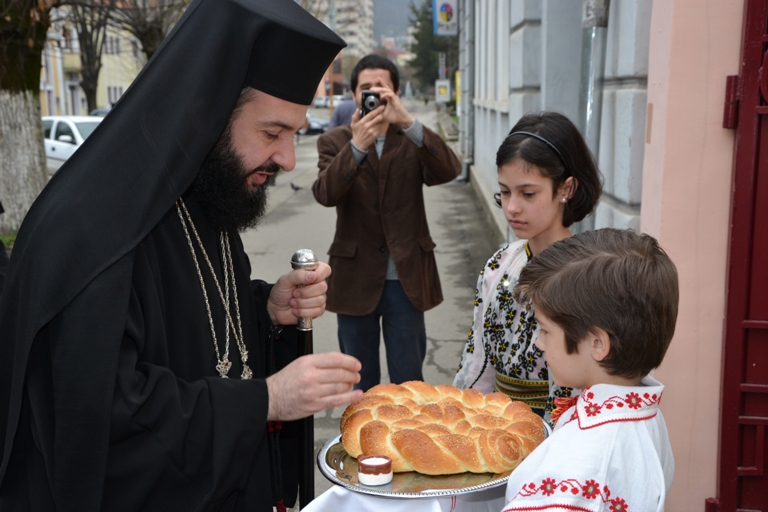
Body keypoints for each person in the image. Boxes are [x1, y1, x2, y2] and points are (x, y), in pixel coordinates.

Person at [0, 0, 364, 510]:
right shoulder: (91, 229)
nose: (285, 158)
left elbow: (196, 338)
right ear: (206, 111)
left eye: (292, 134)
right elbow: (103, 423)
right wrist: (267, 400)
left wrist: (263, 310)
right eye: (271, 132)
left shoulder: (206, 196)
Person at [312, 54, 461, 392]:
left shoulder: (411, 137)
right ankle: (361, 444)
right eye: (366, 88)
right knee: (359, 383)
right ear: (353, 96)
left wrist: (408, 121)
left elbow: (450, 169)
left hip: (404, 278)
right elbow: (325, 193)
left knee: (408, 380)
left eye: (383, 88)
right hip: (354, 278)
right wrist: (357, 146)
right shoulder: (334, 141)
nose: (374, 94)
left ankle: (405, 443)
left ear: (395, 93)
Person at [502, 228, 677, 511]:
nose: (539, 343)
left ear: (597, 344)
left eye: (545, 330)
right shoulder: (645, 414)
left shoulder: (582, 461)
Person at [453, 112, 602, 423]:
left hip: (555, 441)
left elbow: (583, 386)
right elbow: (477, 360)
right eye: (505, 191)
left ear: (566, 188)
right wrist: (463, 420)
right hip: (492, 431)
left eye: (528, 193)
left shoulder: (588, 279)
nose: (512, 207)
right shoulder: (500, 263)